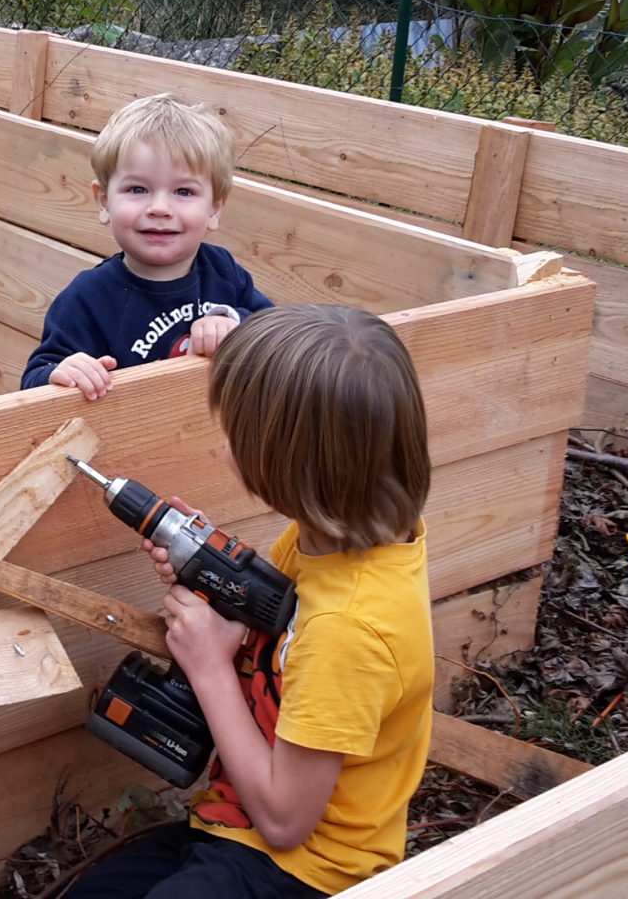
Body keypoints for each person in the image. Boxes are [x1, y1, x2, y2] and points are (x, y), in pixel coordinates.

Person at [68, 304, 435, 899]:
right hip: (231, 824)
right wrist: (215, 576)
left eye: (235, 433)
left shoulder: (350, 630)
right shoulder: (333, 534)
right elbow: (282, 620)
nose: (226, 447)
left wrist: (210, 665)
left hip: (310, 868)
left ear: (284, 465)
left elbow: (287, 822)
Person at [19, 94, 271, 400]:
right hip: (129, 438)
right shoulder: (89, 296)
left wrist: (233, 322)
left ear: (214, 209)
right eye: (138, 189)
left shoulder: (222, 270)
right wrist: (62, 373)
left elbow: (276, 330)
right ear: (104, 201)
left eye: (183, 191)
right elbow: (34, 381)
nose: (159, 208)